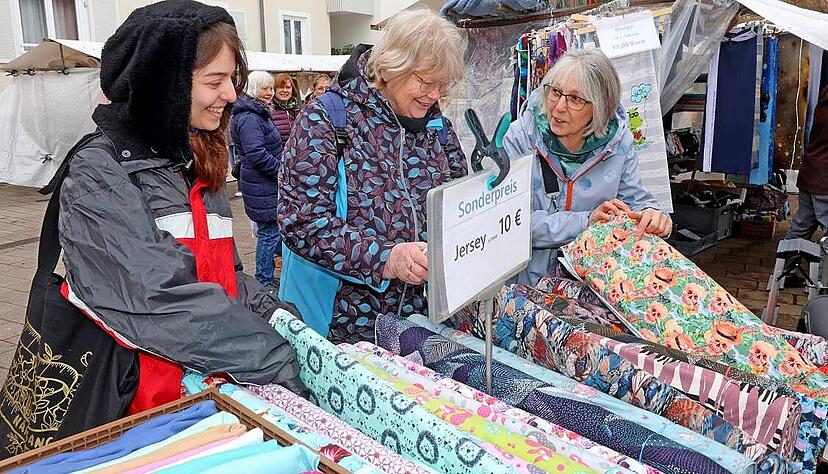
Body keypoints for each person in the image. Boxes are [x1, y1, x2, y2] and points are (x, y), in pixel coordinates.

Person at [56, 0, 304, 414]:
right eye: (215, 81)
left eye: (231, 79)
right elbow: (155, 298)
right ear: (165, 87)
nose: (230, 95)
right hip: (136, 409)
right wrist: (268, 352)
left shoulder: (197, 158)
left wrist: (277, 315)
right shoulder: (99, 171)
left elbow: (222, 276)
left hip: (204, 396)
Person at [278, 9, 467, 343]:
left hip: (426, 324)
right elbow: (302, 223)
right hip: (346, 330)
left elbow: (457, 203)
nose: (435, 95)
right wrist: (387, 258)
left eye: (443, 85)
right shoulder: (325, 119)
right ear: (390, 67)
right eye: (425, 81)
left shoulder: (438, 128)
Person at [503, 48, 672, 286]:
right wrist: (585, 222)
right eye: (555, 92)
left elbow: (636, 201)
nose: (559, 107)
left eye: (575, 99)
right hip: (528, 287)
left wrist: (654, 216)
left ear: (600, 107)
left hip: (595, 286)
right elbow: (509, 223)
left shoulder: (618, 145)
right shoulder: (521, 138)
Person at [231, 70, 283, 287]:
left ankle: (268, 277)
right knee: (269, 233)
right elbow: (256, 154)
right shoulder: (250, 117)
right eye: (266, 88)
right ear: (254, 89)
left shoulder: (257, 113)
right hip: (262, 184)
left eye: (271, 88)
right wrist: (281, 171)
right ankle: (264, 281)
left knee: (272, 232)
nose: (270, 92)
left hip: (263, 183)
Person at [271, 73, 301, 145]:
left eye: (288, 87)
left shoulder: (298, 110)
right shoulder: (270, 110)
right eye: (281, 87)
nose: (285, 90)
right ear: (274, 89)